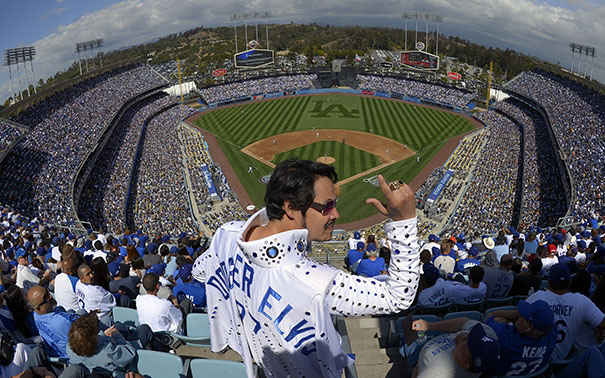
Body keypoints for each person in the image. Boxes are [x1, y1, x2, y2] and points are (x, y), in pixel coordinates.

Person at [191, 158, 420, 377]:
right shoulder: (314, 282)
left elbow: (200, 271)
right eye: (328, 206)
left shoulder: (226, 234)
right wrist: (404, 222)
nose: (336, 214)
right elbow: (398, 296)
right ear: (290, 208)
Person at [526, 263, 605, 360]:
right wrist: (601, 329)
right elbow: (602, 322)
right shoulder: (581, 300)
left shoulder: (538, 297)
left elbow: (518, 315)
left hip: (535, 360)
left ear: (549, 282)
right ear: (570, 282)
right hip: (564, 360)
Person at [408, 316, 501, 377]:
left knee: (406, 337)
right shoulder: (490, 338)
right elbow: (464, 322)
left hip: (418, 363)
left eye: (468, 342)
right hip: (436, 339)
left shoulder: (437, 373)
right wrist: (430, 326)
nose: (466, 335)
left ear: (465, 363)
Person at [484, 300, 557, 376]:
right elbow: (547, 324)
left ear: (528, 328)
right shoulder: (551, 336)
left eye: (522, 317)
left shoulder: (505, 336)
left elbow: (490, 315)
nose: (520, 317)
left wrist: (514, 316)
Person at [28, 285, 79, 359]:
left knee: (64, 309)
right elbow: (85, 324)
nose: (50, 297)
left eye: (47, 293)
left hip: (55, 353)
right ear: (39, 309)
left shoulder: (36, 315)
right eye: (46, 298)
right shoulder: (61, 321)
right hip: (71, 355)